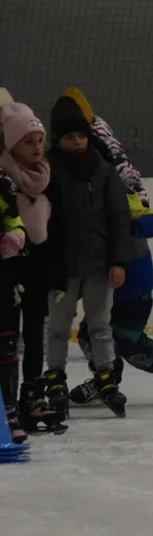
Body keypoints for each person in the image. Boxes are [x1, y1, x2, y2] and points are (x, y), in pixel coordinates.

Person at [39, 94, 132, 419]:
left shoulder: (103, 172)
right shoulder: (47, 170)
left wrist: (118, 261)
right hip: (62, 267)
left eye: (81, 135)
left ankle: (105, 374)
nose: (77, 142)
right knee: (58, 326)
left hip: (98, 265)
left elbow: (119, 218)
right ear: (57, 139)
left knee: (100, 325)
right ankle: (55, 375)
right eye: (69, 137)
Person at [69, 190, 153, 407]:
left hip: (135, 288)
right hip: (101, 289)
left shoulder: (119, 195)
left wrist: (132, 227)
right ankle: (106, 379)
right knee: (89, 335)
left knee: (127, 341)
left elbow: (152, 221)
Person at [0, 90, 48, 441]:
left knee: (26, 337)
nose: (37, 148)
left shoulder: (45, 176)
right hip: (10, 270)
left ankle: (23, 404)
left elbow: (13, 218)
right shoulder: (5, 175)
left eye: (40, 140)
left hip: (28, 269)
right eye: (28, 141)